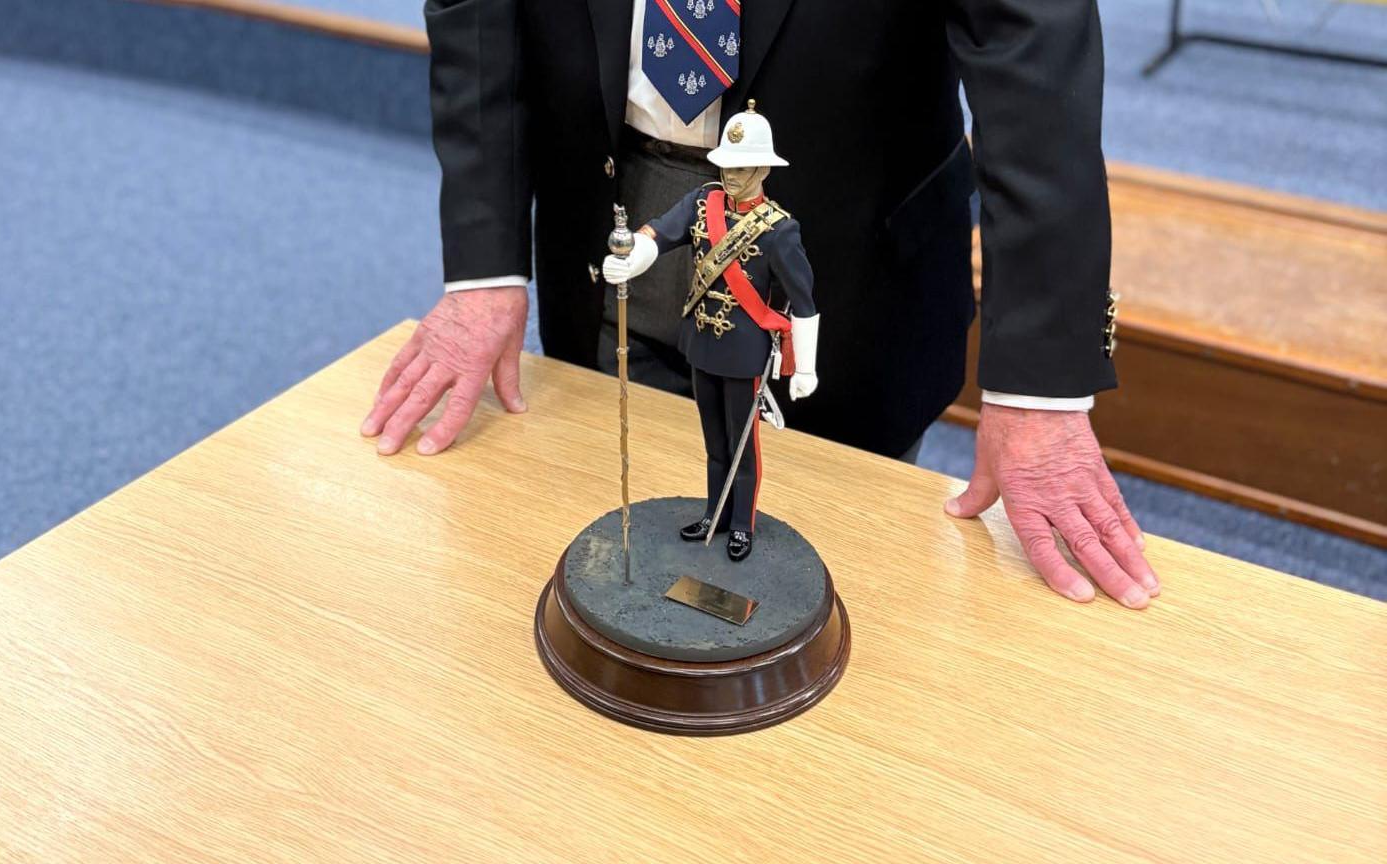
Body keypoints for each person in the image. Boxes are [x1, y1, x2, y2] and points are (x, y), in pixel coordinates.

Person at [362, 0, 1161, 609]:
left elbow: (1034, 50)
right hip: (607, 222)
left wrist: (1039, 388)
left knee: (840, 605)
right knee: (623, 580)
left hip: (852, 254)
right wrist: (483, 259)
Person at [601, 101, 816, 562]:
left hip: (745, 354)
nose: (731, 176)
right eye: (727, 167)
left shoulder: (780, 231)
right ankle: (714, 514)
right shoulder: (703, 203)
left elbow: (803, 304)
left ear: (762, 167)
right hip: (700, 343)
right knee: (714, 443)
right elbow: (660, 234)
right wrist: (631, 257)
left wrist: (806, 368)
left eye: (741, 168)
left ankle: (741, 524)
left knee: (742, 446)